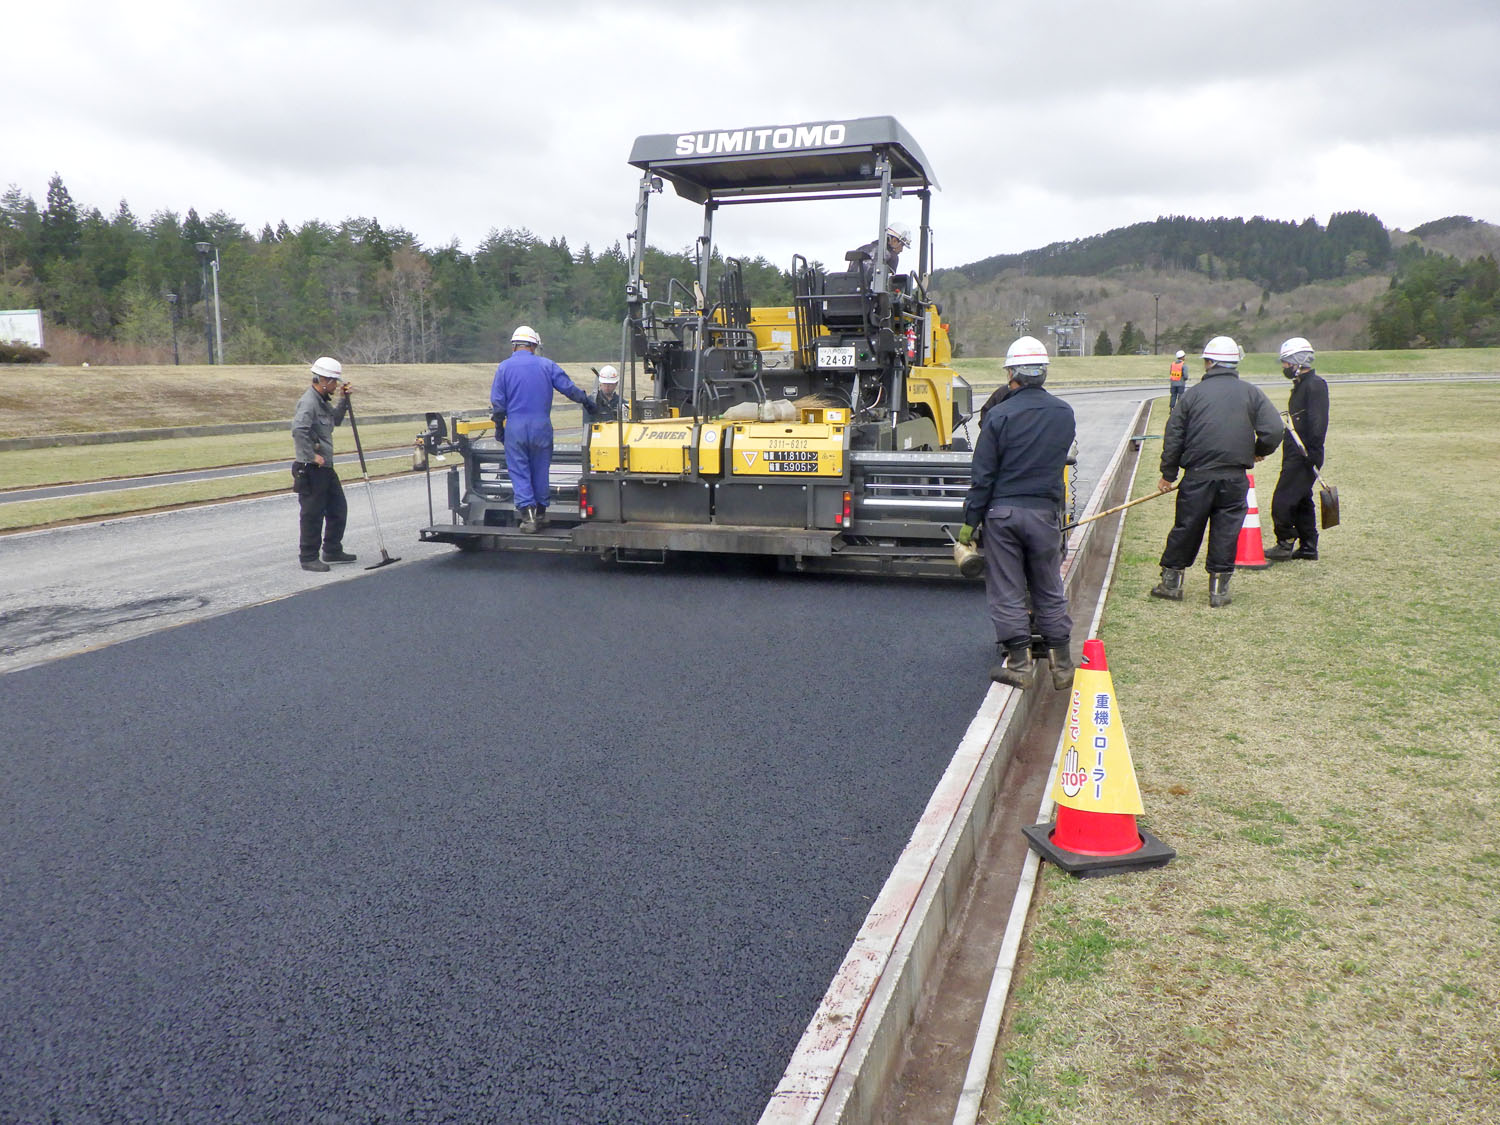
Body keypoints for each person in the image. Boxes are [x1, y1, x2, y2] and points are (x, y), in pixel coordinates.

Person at [959, 336, 1077, 689]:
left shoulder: (998, 415)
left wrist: (969, 523)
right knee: (1048, 587)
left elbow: (983, 477)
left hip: (1004, 516)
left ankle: (1021, 665)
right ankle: (1063, 666)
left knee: (1008, 591)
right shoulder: (1063, 413)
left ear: (1012, 373)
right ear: (1042, 372)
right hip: (1044, 515)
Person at [1151, 335, 1284, 607]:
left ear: (1209, 362)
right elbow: (1274, 430)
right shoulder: (1251, 393)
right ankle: (1219, 590)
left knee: (1187, 527)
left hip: (1198, 476)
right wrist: (1258, 450)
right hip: (1234, 477)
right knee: (1226, 529)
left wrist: (1169, 473)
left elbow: (1174, 436)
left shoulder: (1192, 396)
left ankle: (1171, 583)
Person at [490, 324, 596, 533]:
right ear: (533, 346)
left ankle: (528, 517)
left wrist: (499, 427)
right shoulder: (547, 365)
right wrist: (587, 401)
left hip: (516, 427)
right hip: (541, 427)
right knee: (540, 469)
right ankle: (540, 513)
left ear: (514, 346)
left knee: (519, 471)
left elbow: (498, 404)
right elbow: (569, 388)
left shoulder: (503, 368)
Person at [290, 356, 357, 572]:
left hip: (326, 467)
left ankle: (332, 549)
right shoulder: (309, 402)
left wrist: (344, 400)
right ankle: (308, 556)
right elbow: (298, 430)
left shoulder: (321, 401)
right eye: (334, 382)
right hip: (311, 468)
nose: (336, 385)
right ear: (323, 380)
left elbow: (335, 420)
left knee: (338, 508)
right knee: (312, 513)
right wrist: (310, 456)